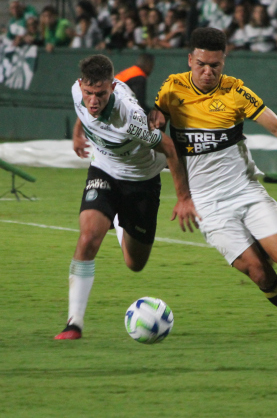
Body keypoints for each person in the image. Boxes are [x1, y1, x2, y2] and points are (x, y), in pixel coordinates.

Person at [149, 28, 277, 341]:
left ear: (224, 62)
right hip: (207, 205)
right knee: (262, 275)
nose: (207, 71)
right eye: (201, 63)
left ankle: (257, 245)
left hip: (245, 191)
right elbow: (157, 116)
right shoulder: (172, 88)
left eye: (215, 65)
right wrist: (157, 118)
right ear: (190, 60)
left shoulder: (236, 93)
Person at [55, 54, 197, 340]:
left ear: (112, 86)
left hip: (141, 180)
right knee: (88, 237)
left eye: (101, 94)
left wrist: (183, 198)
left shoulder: (130, 119)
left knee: (135, 263)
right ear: (81, 85)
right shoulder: (77, 91)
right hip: (104, 169)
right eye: (89, 93)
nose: (93, 101)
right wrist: (77, 134)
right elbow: (83, 112)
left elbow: (170, 149)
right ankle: (74, 324)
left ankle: (118, 219)